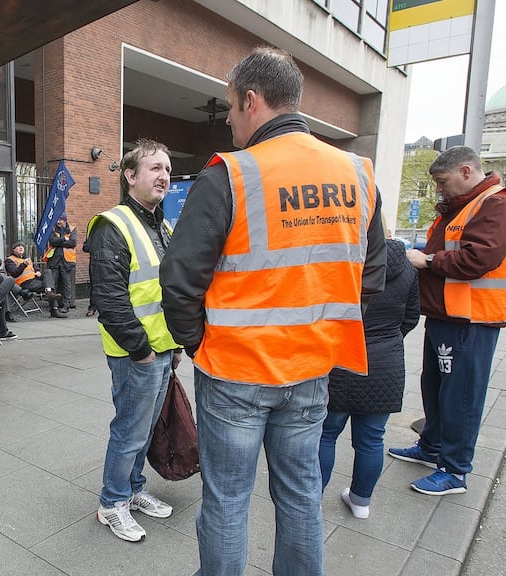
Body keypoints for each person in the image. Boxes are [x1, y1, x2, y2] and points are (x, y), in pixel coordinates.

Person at [159, 46, 386, 575]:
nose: (232, 119)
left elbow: (180, 280)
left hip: (236, 369)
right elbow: (370, 275)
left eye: (232, 107)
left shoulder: (231, 175)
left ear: (252, 101)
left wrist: (200, 344)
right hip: (311, 369)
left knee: (227, 503)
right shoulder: (356, 173)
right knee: (301, 497)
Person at [388, 145, 506, 496]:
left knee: (460, 395)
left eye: (442, 181)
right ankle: (432, 446)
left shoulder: (499, 204)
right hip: (446, 314)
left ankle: (454, 470)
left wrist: (427, 261)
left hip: (471, 319)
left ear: (466, 171)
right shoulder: (463, 206)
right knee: (435, 388)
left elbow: (478, 259)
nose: (439, 189)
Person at [85, 138, 181, 542]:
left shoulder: (163, 225)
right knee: (129, 431)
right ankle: (111, 503)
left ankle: (133, 489)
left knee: (144, 430)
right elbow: (109, 299)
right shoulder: (114, 225)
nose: (164, 176)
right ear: (130, 176)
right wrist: (141, 351)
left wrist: (174, 346)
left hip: (161, 350)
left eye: (168, 169)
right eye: (155, 168)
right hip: (135, 354)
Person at [319, 231, 419, 519]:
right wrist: (387, 341)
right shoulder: (407, 267)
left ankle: (313, 501)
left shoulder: (341, 261)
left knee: (326, 435)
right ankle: (361, 501)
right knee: (372, 439)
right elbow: (411, 316)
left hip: (341, 359)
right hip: (385, 364)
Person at [5, 241, 66, 318]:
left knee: (48, 272)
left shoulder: (27, 259)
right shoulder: (10, 260)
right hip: (24, 283)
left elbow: (35, 267)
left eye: (22, 246)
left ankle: (49, 292)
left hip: (34, 279)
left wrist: (37, 271)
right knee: (50, 284)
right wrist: (23, 265)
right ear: (13, 250)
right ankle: (54, 309)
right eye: (18, 246)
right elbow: (14, 273)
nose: (21, 247)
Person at [44, 213, 77, 313]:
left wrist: (59, 243)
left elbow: (73, 243)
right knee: (53, 283)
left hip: (67, 262)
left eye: (61, 220)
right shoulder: (52, 229)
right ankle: (54, 305)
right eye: (57, 220)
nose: (58, 222)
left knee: (67, 284)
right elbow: (52, 241)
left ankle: (66, 305)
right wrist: (63, 239)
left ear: (65, 220)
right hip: (54, 261)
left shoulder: (72, 229)